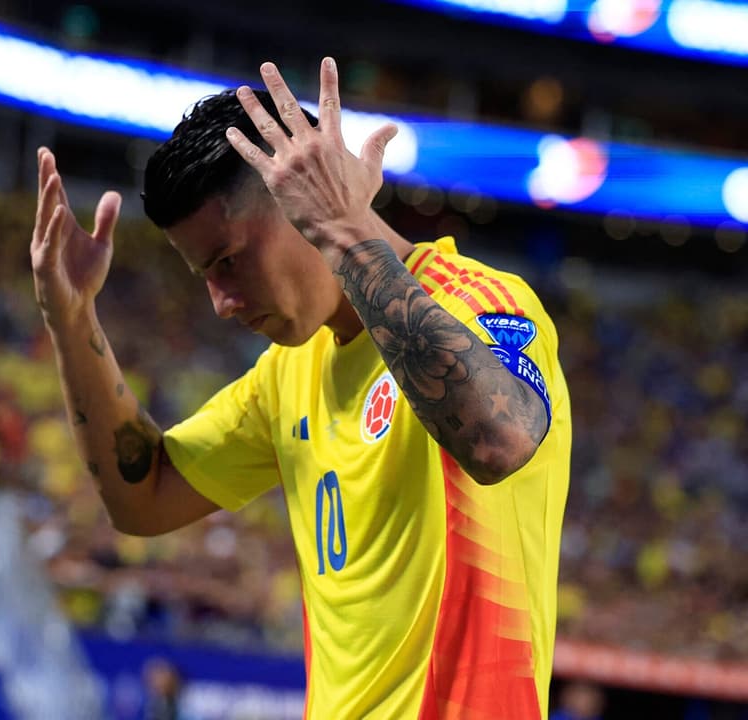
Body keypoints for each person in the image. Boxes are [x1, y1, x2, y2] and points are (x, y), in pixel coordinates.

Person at [31, 57, 570, 719]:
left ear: (304, 207)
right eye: (205, 276)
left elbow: (498, 440)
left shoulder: (478, 301)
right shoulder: (287, 374)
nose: (221, 302)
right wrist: (72, 319)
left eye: (228, 261)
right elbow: (141, 499)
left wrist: (345, 229)